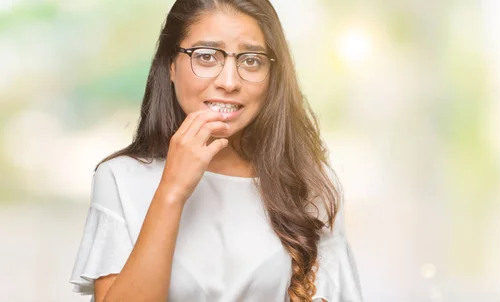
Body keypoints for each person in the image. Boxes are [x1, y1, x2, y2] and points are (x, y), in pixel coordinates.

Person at [69, 0, 362, 301]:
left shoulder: (309, 183)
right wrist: (172, 191)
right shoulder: (120, 179)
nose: (229, 82)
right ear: (170, 65)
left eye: (251, 60)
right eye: (207, 56)